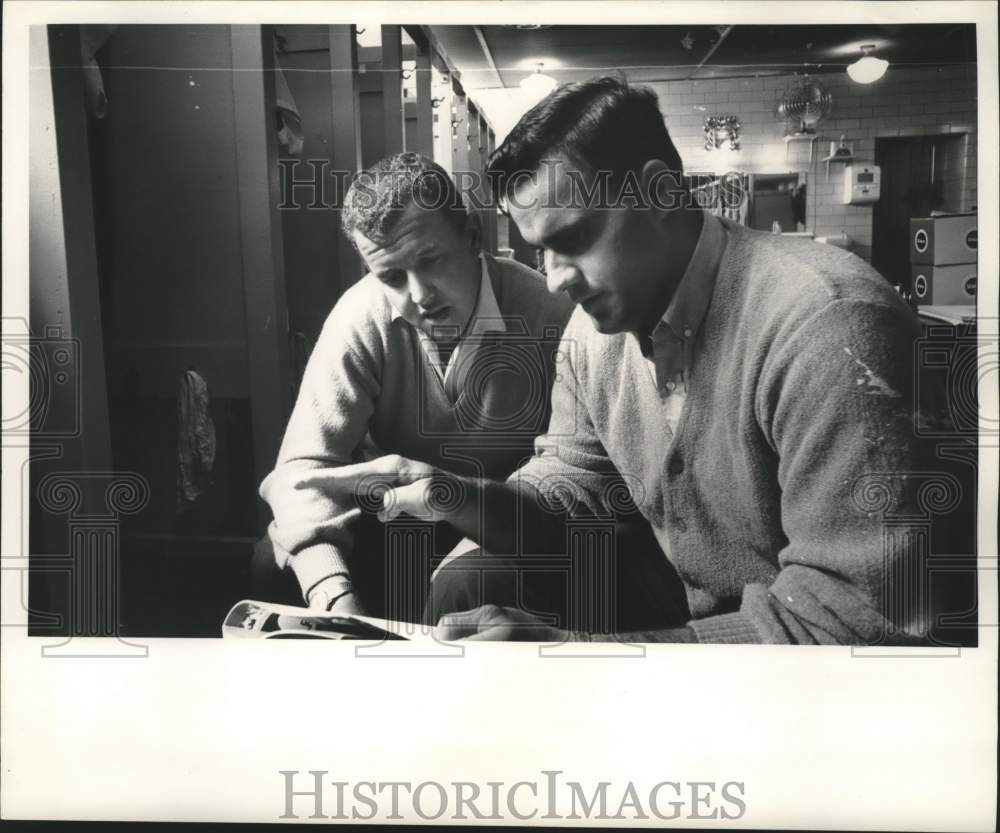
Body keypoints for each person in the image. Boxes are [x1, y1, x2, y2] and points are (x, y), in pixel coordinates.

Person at [298, 78, 946, 644]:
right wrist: (454, 494)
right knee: (473, 582)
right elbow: (574, 492)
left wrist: (582, 655)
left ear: (662, 193)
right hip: (696, 617)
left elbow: (860, 615)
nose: (554, 280)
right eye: (537, 251)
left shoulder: (824, 321)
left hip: (819, 671)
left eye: (574, 239)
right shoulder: (592, 334)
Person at [256, 152, 573, 618]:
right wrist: (333, 593)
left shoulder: (551, 314)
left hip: (498, 519)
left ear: (471, 236)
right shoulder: (360, 314)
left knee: (466, 584)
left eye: (431, 261)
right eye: (391, 276)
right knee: (273, 565)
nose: (419, 295)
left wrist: (467, 521)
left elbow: (568, 476)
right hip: (394, 520)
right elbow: (302, 471)